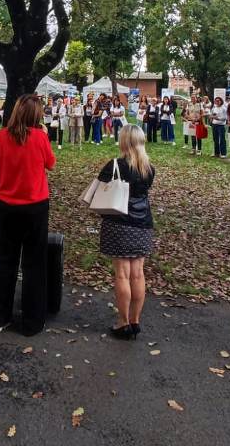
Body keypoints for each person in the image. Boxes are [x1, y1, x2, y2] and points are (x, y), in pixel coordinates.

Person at [0, 94, 55, 336]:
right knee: (34, 265)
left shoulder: (2, 136)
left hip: (7, 206)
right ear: (36, 115)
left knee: (5, 262)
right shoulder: (40, 138)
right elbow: (51, 164)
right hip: (35, 206)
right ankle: (32, 322)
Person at [96, 124, 155, 340]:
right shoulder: (149, 168)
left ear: (124, 141)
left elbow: (99, 186)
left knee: (122, 273)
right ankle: (135, 319)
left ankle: (123, 322)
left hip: (119, 222)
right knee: (138, 273)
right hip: (143, 223)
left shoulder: (115, 165)